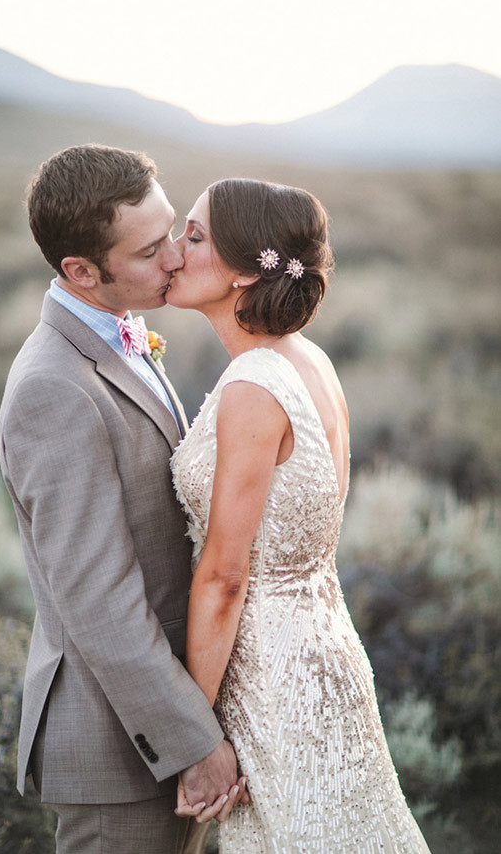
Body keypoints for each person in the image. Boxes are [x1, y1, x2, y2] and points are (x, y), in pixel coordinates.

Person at [168, 178, 432, 853]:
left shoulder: (255, 386)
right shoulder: (309, 359)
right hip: (330, 652)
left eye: (194, 237)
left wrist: (192, 735)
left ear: (242, 273)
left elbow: (225, 576)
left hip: (275, 678)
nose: (175, 250)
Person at [0, 145, 246, 854]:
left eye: (172, 230)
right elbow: (97, 599)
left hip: (159, 726)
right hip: (120, 751)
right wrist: (193, 741)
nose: (176, 257)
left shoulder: (120, 334)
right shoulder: (52, 388)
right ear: (81, 271)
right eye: (149, 249)